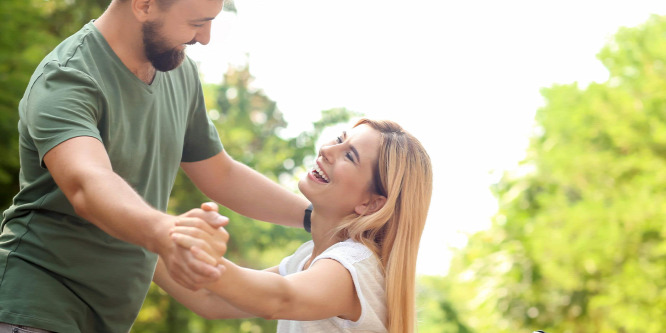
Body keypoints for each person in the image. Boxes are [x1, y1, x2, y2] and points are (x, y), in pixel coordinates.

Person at [0, 0, 310, 332]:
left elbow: (222, 173)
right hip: (32, 306)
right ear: (144, 5)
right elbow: (87, 183)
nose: (205, 38)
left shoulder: (180, 73)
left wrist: (315, 219)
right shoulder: (66, 78)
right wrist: (167, 232)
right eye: (196, 23)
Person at [157, 118, 434, 333]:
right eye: (339, 139)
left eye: (349, 156)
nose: (326, 150)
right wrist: (136, 231)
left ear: (372, 204)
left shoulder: (352, 266)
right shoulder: (306, 258)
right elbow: (210, 300)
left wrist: (197, 245)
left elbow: (278, 299)